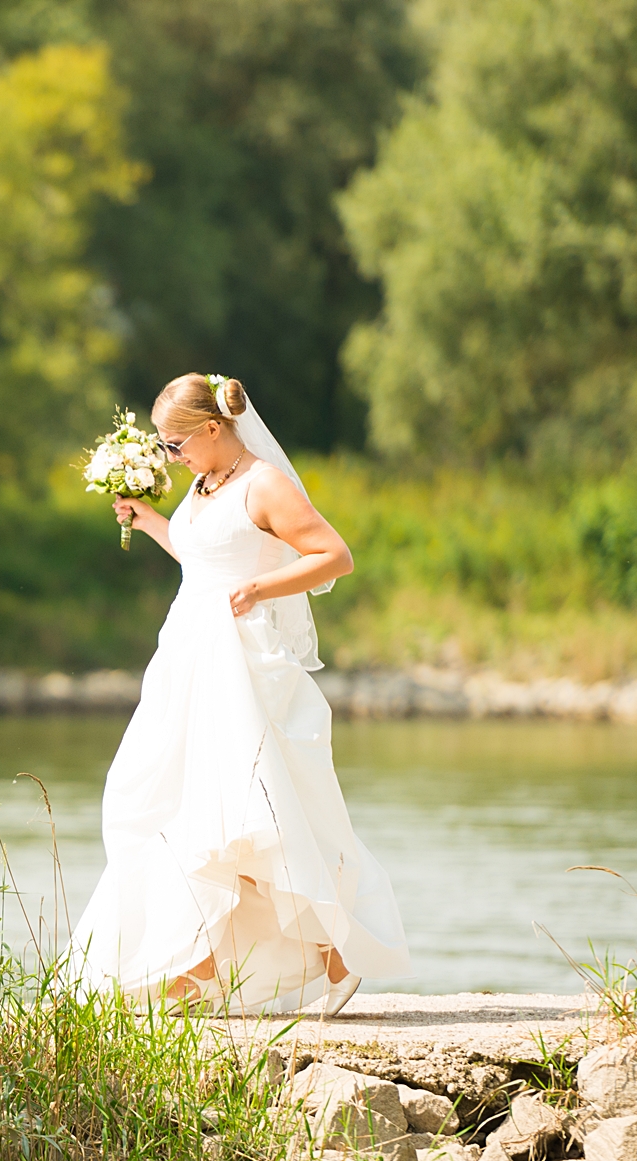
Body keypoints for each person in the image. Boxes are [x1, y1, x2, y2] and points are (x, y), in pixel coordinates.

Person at [62, 372, 408, 1016]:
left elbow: (334, 556)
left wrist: (261, 591)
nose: (171, 457)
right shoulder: (203, 485)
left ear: (215, 429)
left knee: (245, 814)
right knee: (160, 800)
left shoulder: (264, 484)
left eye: (176, 444)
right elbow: (204, 561)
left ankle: (278, 960)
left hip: (239, 666)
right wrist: (153, 523)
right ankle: (213, 963)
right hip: (187, 661)